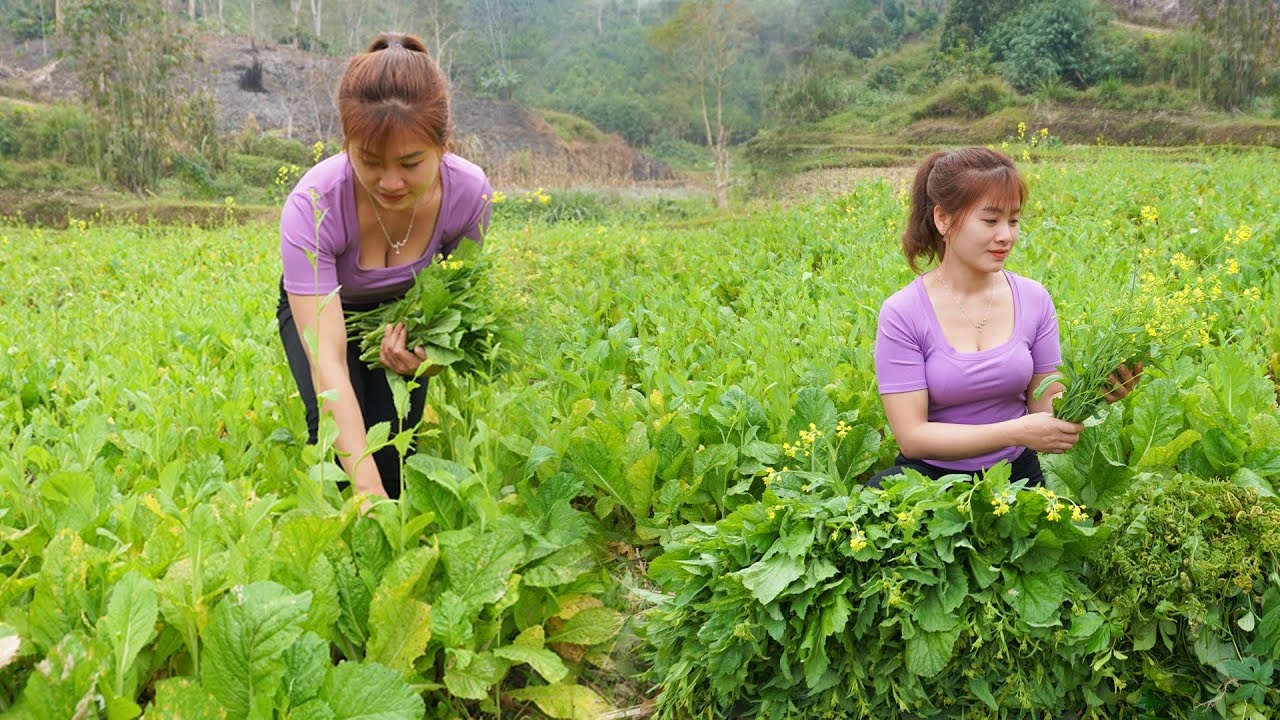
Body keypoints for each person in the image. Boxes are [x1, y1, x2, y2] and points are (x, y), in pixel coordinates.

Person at [277, 32, 493, 501]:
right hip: (324, 306)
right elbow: (329, 360)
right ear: (346, 144)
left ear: (444, 147)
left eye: (411, 163)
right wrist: (366, 491)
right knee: (344, 467)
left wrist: (431, 358)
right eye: (369, 161)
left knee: (395, 459)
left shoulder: (468, 194)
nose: (390, 181)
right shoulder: (313, 205)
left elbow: (457, 303)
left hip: (403, 313)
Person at [869, 147, 1139, 487]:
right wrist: (1017, 431)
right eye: (990, 220)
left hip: (1015, 476)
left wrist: (1093, 394)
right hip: (929, 480)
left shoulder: (1033, 298)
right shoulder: (903, 312)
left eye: (1013, 220)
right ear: (943, 219)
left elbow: (1046, 408)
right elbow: (913, 437)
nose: (1006, 236)